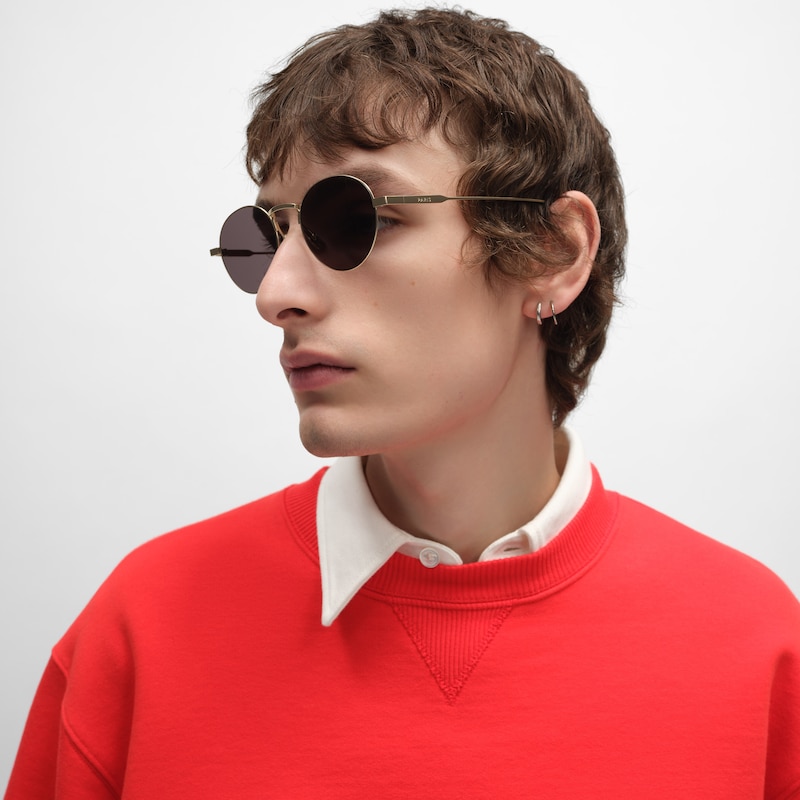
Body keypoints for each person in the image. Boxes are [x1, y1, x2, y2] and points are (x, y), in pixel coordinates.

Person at [5, 7, 799, 798]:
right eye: (265, 236)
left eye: (358, 220)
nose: (275, 294)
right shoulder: (144, 629)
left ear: (553, 252)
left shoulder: (759, 651)